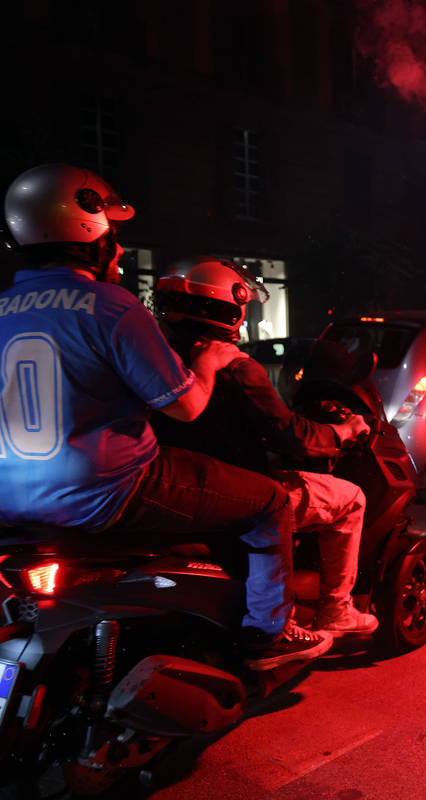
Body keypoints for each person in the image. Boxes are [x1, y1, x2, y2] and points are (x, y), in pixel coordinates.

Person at [0, 164, 330, 671]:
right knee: (271, 503)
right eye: (115, 235)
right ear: (90, 232)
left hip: (5, 497)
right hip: (107, 490)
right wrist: (209, 362)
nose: (120, 250)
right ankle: (271, 630)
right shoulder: (109, 305)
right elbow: (185, 405)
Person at [152, 255, 379, 637]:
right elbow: (291, 434)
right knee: (351, 498)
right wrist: (343, 430)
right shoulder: (236, 366)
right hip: (237, 492)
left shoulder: (156, 357)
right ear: (231, 307)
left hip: (176, 491)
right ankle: (335, 610)